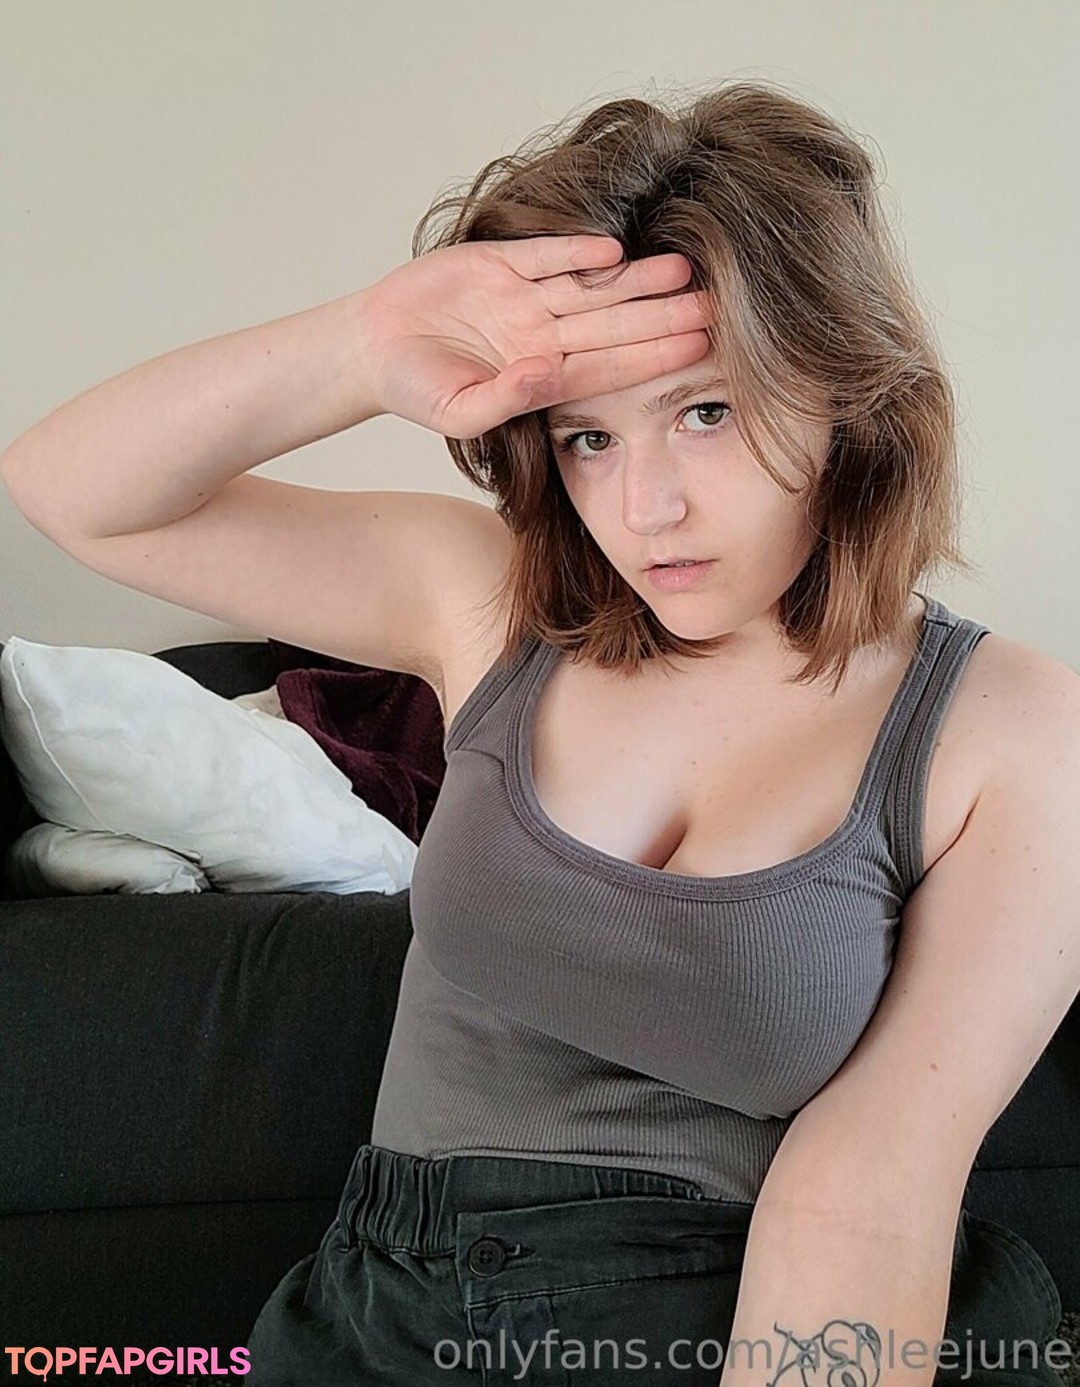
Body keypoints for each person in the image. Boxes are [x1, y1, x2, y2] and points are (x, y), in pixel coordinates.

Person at [2, 81, 1077, 1387]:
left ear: (845, 394)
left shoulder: (1006, 724)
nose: (646, 506)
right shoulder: (497, 605)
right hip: (388, 1321)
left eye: (706, 411)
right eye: (588, 437)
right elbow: (75, 491)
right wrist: (363, 346)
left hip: (728, 1323)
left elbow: (872, 1189)